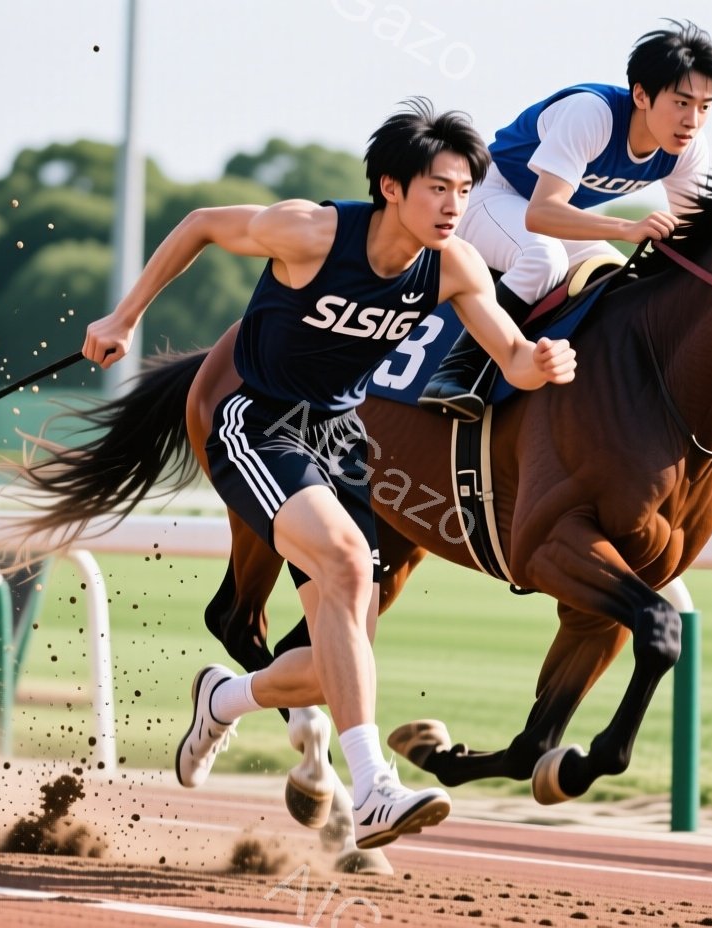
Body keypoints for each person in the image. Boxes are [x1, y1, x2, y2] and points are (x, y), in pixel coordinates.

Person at [80, 100, 577, 849]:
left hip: (339, 439)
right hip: (255, 418)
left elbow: (508, 355)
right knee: (345, 564)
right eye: (438, 188)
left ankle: (225, 697)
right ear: (390, 187)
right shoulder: (311, 232)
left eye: (466, 191)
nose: (454, 206)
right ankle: (375, 787)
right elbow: (201, 224)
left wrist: (538, 365)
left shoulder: (455, 267)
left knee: (341, 661)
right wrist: (123, 318)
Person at [419, 20, 712, 422]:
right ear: (641, 94)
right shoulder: (593, 113)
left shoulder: (688, 149)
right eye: (681, 102)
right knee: (543, 258)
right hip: (487, 196)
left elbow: (695, 239)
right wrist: (625, 228)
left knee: (619, 277)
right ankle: (454, 373)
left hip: (541, 216)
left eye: (705, 107)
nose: (693, 120)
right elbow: (541, 213)